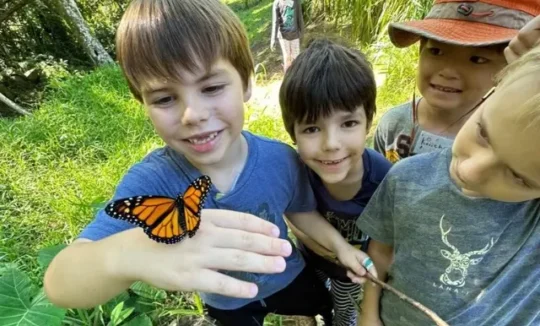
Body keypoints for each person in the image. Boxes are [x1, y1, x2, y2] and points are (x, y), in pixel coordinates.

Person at [43, 1, 375, 325]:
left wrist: (340, 247)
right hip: (225, 300)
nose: (193, 114)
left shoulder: (280, 159)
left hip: (286, 274)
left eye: (212, 87)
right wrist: (125, 254)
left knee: (317, 308)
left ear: (246, 82)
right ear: (142, 103)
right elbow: (60, 283)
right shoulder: (152, 183)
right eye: (164, 98)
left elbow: (300, 211)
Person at [358, 45, 540, 325]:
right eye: (482, 133)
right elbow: (381, 252)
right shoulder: (405, 177)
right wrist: (368, 315)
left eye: (517, 176)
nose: (470, 170)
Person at [279, 39, 392, 326]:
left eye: (348, 124)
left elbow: (390, 243)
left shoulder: (385, 180)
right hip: (308, 257)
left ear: (368, 121)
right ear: (292, 133)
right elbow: (294, 211)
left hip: (352, 272)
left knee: (343, 312)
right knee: (312, 299)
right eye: (312, 128)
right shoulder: (296, 171)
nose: (331, 144)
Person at [373, 0, 540, 163]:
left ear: (511, 68)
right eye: (436, 51)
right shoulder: (393, 123)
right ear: (420, 50)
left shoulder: (514, 139)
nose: (448, 72)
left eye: (477, 59)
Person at [271, 0, 304, 72]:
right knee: (287, 58)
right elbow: (275, 21)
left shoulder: (296, 2)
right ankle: (288, 79)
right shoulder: (277, 3)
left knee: (296, 58)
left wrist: (302, 32)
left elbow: (300, 17)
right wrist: (273, 39)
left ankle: (297, 78)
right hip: (283, 37)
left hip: (295, 35)